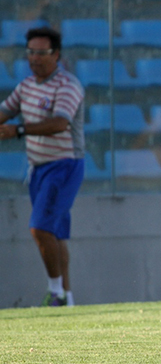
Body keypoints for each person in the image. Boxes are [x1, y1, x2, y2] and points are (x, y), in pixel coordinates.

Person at [0, 27, 85, 307]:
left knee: (40, 228)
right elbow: (5, 111)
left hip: (63, 165)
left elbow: (60, 123)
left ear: (56, 54)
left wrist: (19, 130)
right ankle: (68, 297)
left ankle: (55, 293)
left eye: (41, 53)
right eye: (31, 52)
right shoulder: (26, 86)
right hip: (37, 168)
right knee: (55, 233)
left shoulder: (67, 85)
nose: (34, 58)